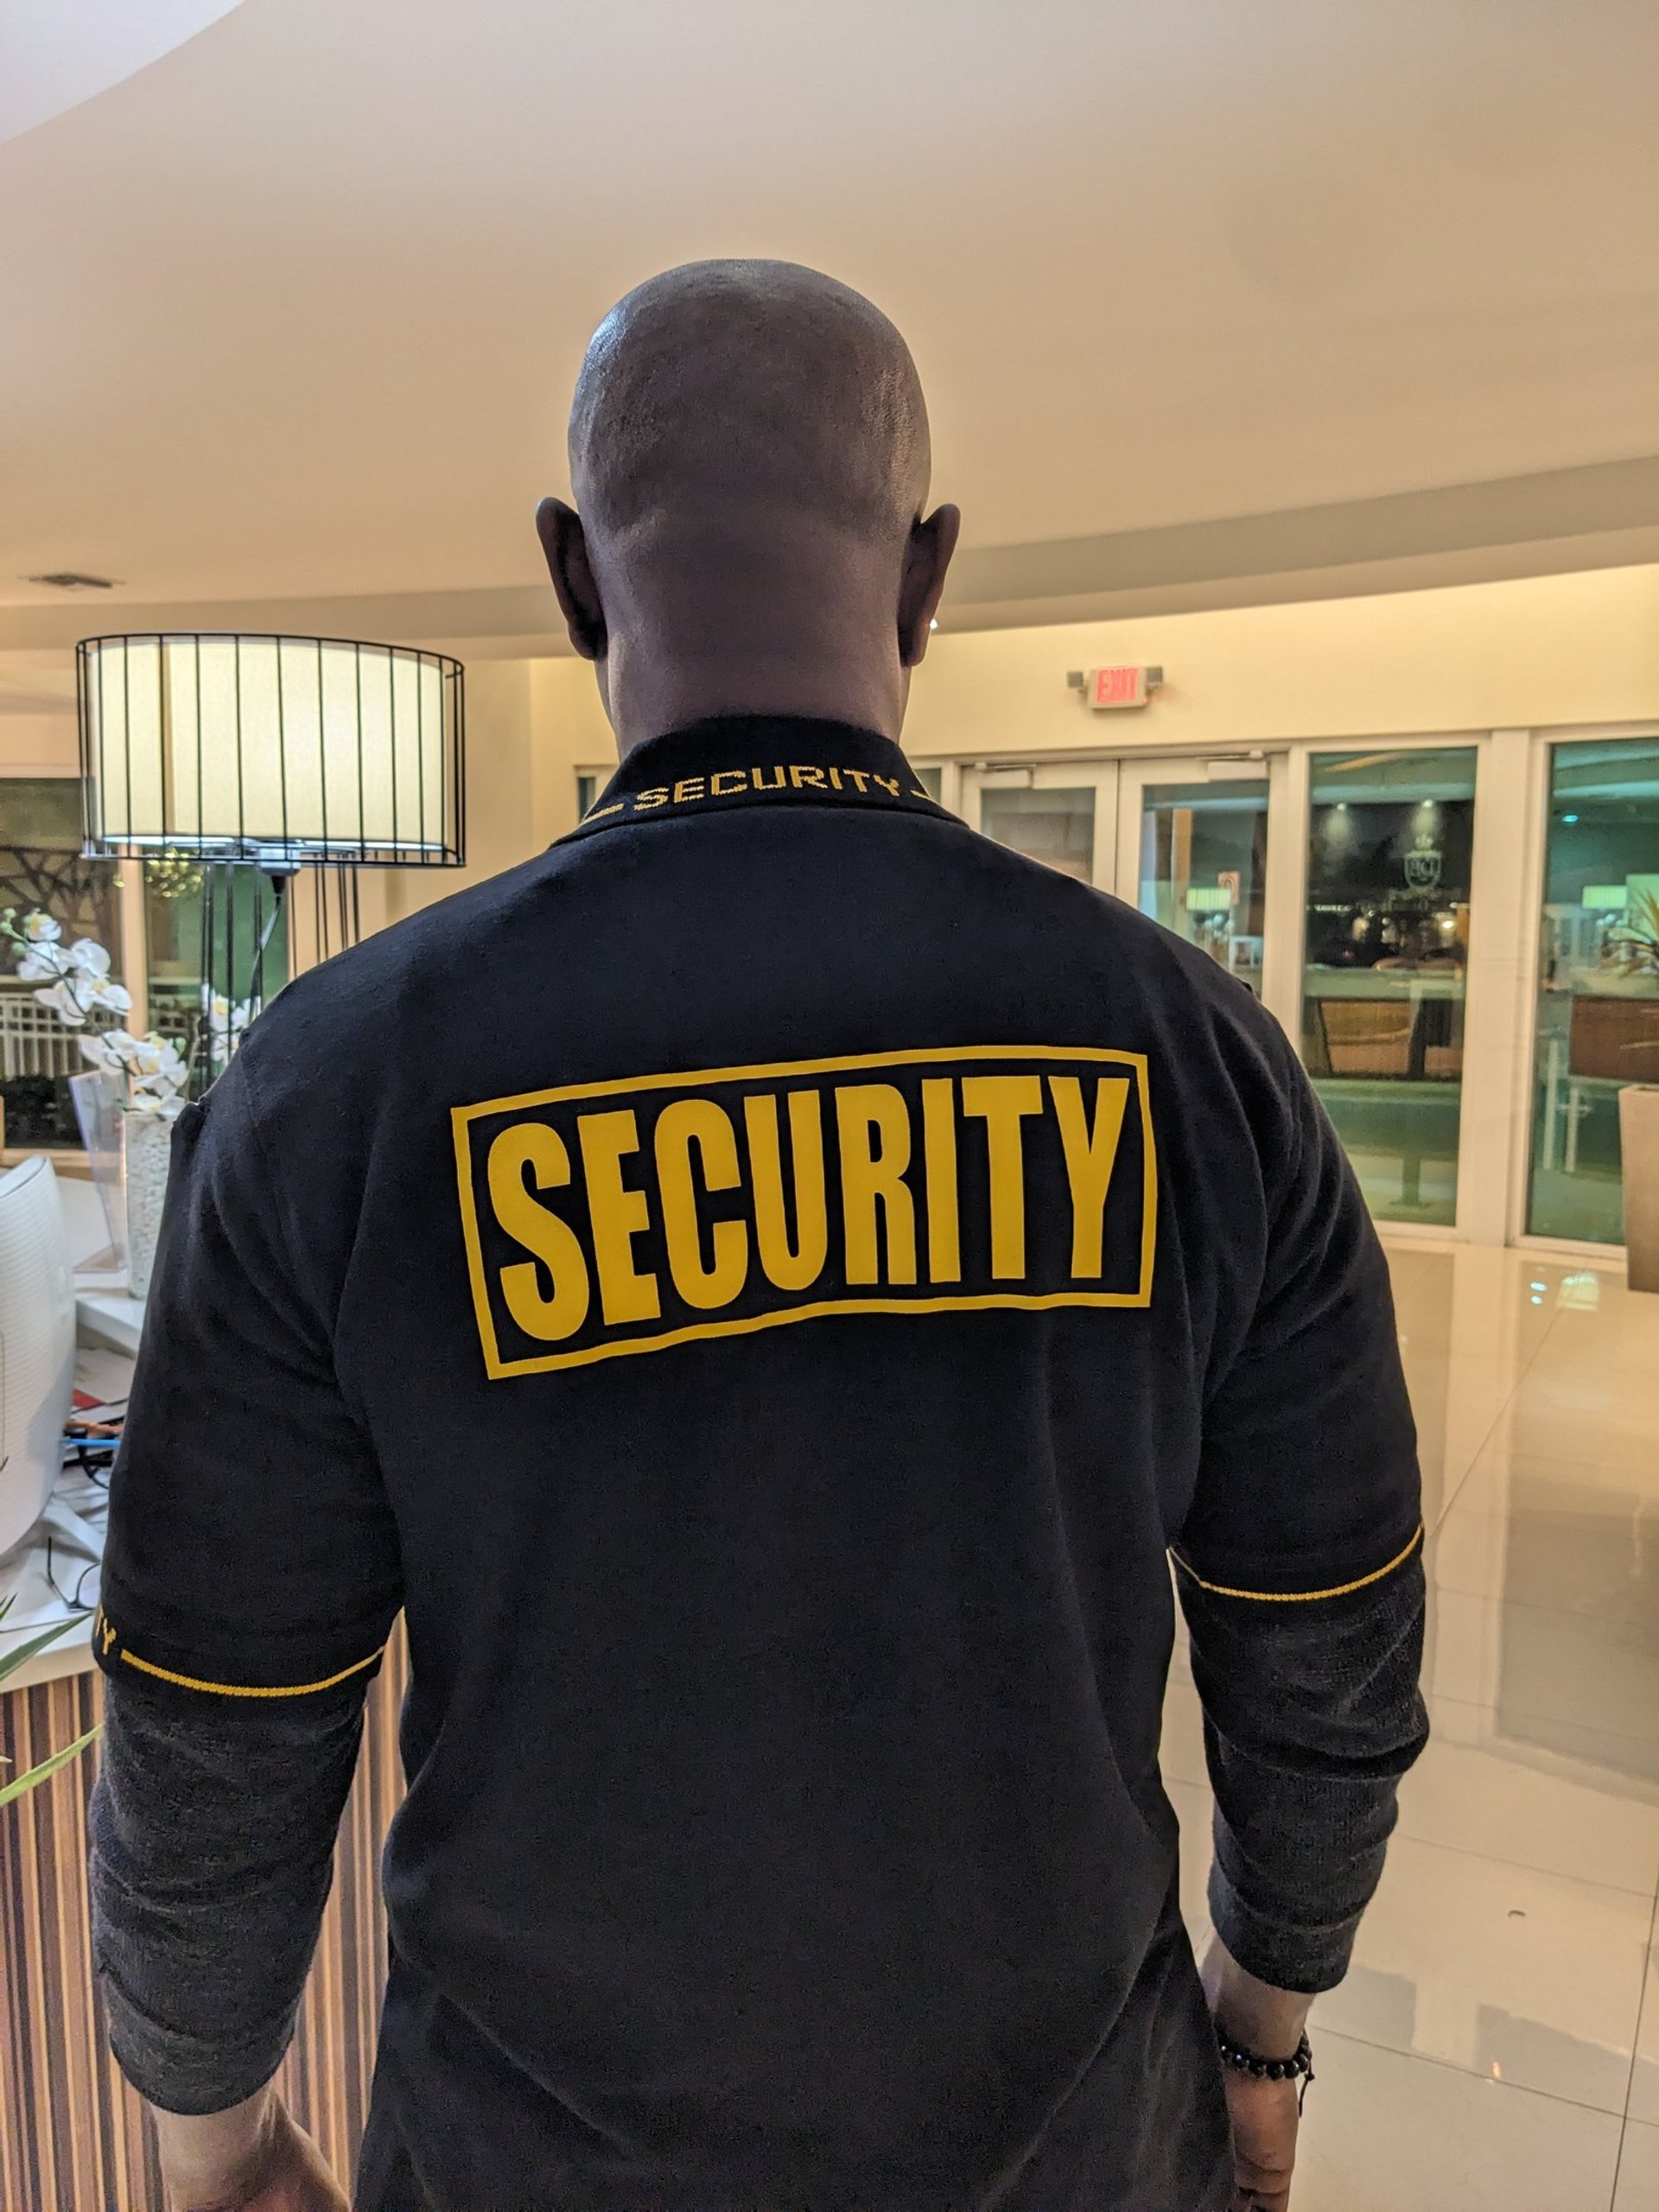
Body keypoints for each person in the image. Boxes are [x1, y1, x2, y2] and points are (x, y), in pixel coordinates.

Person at [89, 260, 1427, 2212]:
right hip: (1070, 2139)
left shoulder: (339, 1086)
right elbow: (1326, 1651)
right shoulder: (1197, 1057)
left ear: (570, 575)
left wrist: (211, 2142)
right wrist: (1261, 2024)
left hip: (520, 2156)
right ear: (928, 574)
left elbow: (216, 1719)